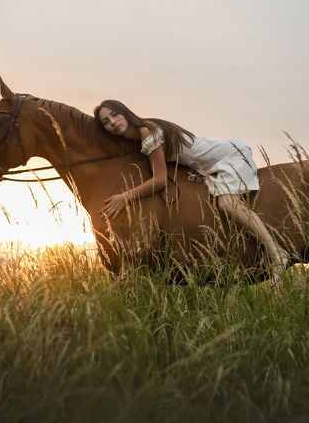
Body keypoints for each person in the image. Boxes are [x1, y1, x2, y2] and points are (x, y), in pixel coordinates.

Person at [94, 99, 287, 285]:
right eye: (106, 122)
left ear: (124, 112)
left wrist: (125, 197)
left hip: (230, 156)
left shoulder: (147, 132)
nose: (112, 122)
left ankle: (277, 253)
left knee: (228, 204)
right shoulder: (138, 137)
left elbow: (160, 179)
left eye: (115, 114)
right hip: (211, 167)